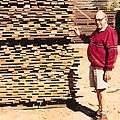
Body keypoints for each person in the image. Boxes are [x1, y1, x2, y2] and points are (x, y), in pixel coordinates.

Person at [74, 10, 118, 120]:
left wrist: (108, 69)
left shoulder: (110, 32)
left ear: (106, 19)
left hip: (102, 67)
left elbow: (112, 52)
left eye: (100, 20)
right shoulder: (97, 32)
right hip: (94, 65)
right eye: (96, 20)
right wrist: (80, 35)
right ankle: (100, 109)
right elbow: (90, 40)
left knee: (102, 91)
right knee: (98, 90)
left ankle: (103, 114)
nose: (97, 22)